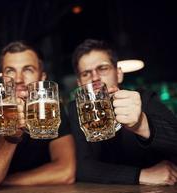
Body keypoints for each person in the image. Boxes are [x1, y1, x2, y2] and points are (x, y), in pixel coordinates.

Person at [0, 41, 76, 192]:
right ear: (1, 77)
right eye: (10, 71)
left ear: (42, 77)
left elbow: (66, 171)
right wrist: (13, 132)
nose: (18, 79)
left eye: (28, 70)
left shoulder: (52, 108)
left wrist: (4, 181)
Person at [69, 39, 177, 185]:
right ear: (79, 84)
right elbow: (82, 167)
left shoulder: (144, 98)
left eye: (103, 68)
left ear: (118, 74)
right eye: (86, 74)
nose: (95, 77)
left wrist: (141, 124)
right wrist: (142, 175)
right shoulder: (76, 110)